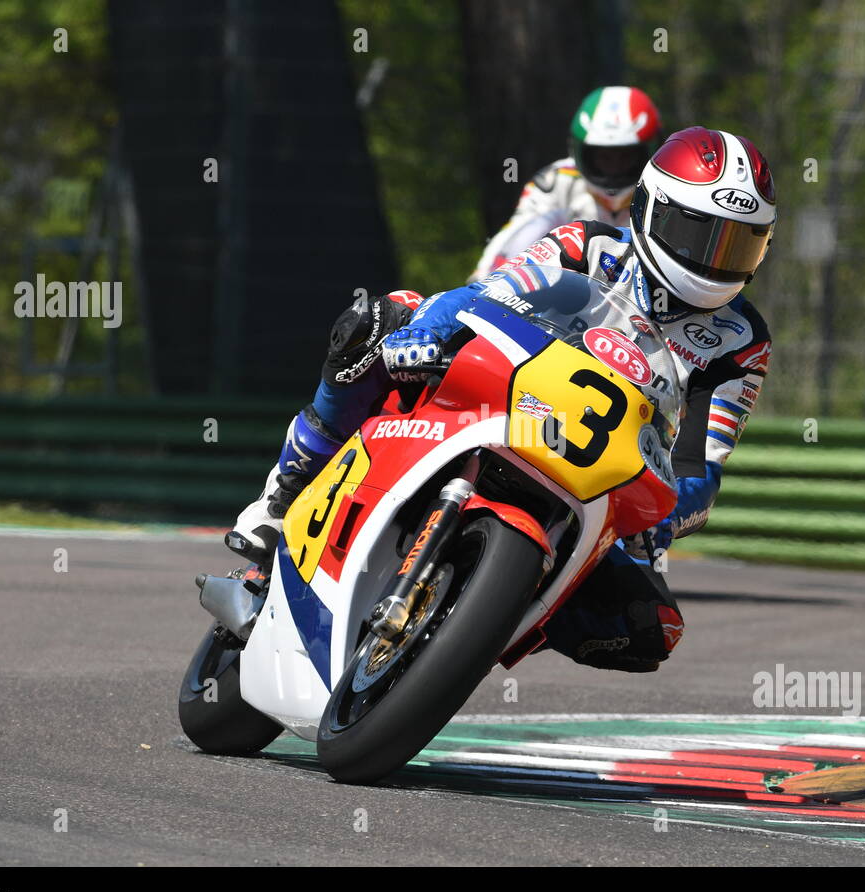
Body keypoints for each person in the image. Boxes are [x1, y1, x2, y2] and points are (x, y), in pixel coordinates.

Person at [229, 127, 777, 672]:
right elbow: (486, 293)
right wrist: (425, 332)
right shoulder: (587, 244)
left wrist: (669, 514)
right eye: (702, 235)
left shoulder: (743, 341)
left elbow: (701, 467)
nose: (715, 260)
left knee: (645, 628)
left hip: (607, 482)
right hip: (507, 402)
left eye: (738, 244)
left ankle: (479, 622)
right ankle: (282, 497)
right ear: (654, 208)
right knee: (379, 319)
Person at [470, 86, 663, 279]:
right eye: (604, 157)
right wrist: (486, 278)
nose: (614, 167)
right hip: (569, 293)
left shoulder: (666, 185)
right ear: (580, 152)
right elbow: (517, 232)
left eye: (626, 156)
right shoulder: (556, 180)